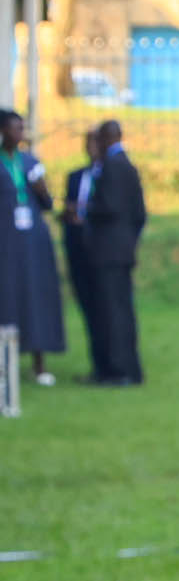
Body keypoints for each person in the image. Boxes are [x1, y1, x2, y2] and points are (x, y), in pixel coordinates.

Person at [0, 111, 66, 385]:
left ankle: (40, 363)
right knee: (8, 297)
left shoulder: (30, 162)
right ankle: (6, 364)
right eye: (16, 128)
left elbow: (48, 205)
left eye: (23, 128)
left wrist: (42, 189)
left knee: (36, 295)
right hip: (6, 242)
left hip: (33, 243)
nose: (21, 134)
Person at [80, 119, 146, 386]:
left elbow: (110, 207)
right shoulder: (128, 166)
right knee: (122, 309)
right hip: (121, 250)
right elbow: (139, 214)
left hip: (108, 252)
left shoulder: (113, 167)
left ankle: (118, 370)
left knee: (112, 311)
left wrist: (83, 210)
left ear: (107, 138)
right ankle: (128, 368)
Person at [58, 129, 104, 380]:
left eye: (96, 143)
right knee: (87, 308)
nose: (91, 148)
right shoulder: (75, 177)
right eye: (88, 143)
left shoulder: (112, 176)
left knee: (105, 310)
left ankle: (110, 363)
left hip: (102, 253)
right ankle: (96, 365)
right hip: (79, 252)